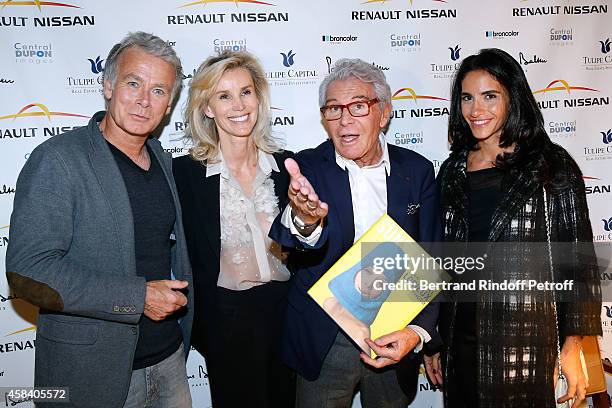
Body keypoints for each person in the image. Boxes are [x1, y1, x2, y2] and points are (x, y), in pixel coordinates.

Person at [5, 32, 193, 408]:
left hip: (169, 360)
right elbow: (28, 271)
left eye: (159, 91)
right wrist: (137, 297)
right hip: (92, 374)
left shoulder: (164, 161)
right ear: (107, 85)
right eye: (133, 83)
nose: (144, 100)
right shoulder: (59, 159)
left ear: (170, 103)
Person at [427, 48, 601, 408]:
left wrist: (573, 345)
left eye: (490, 96)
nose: (477, 110)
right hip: (460, 338)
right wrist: (433, 339)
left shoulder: (550, 165)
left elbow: (579, 263)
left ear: (514, 98)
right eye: (467, 98)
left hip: (525, 340)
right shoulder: (452, 170)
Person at [269, 58, 441, 407]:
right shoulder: (307, 169)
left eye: (358, 106)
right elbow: (294, 238)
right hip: (325, 337)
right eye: (333, 109)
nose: (345, 119)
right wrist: (305, 218)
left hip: (394, 331)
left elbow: (432, 257)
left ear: (384, 113)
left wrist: (417, 332)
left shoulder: (417, 171)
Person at [173, 50, 295, 408]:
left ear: (258, 97)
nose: (238, 105)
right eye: (223, 96)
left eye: (245, 92)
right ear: (207, 107)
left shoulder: (287, 167)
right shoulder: (185, 174)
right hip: (225, 322)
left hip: (285, 315)